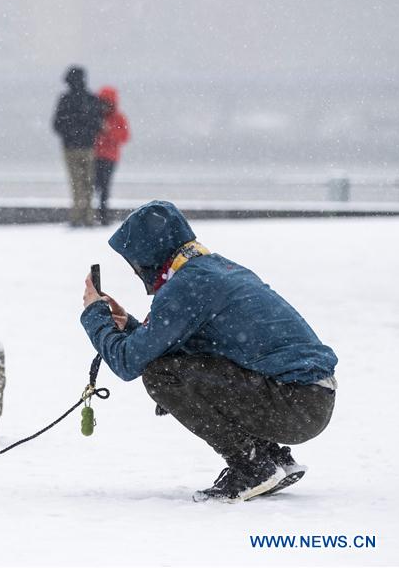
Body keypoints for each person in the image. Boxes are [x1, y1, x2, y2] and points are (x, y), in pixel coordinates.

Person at [79, 201, 337, 502]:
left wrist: (95, 314)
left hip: (296, 405)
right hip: (309, 399)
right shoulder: (210, 269)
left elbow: (128, 363)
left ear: (149, 257)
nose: (137, 271)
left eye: (135, 263)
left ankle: (252, 464)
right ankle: (270, 458)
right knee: (173, 365)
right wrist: (129, 327)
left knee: (161, 375)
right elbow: (187, 348)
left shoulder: (188, 286)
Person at [52, 65, 103, 227]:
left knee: (76, 183)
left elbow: (56, 124)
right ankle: (88, 216)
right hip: (88, 147)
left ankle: (77, 216)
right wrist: (87, 133)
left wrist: (70, 134)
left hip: (70, 148)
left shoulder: (65, 99)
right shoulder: (91, 99)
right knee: (89, 183)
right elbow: (98, 123)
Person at [93, 86, 130, 225]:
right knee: (95, 185)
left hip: (109, 158)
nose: (104, 106)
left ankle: (103, 214)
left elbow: (124, 136)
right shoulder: (95, 116)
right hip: (96, 156)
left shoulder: (119, 118)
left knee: (104, 186)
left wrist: (108, 133)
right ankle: (96, 214)